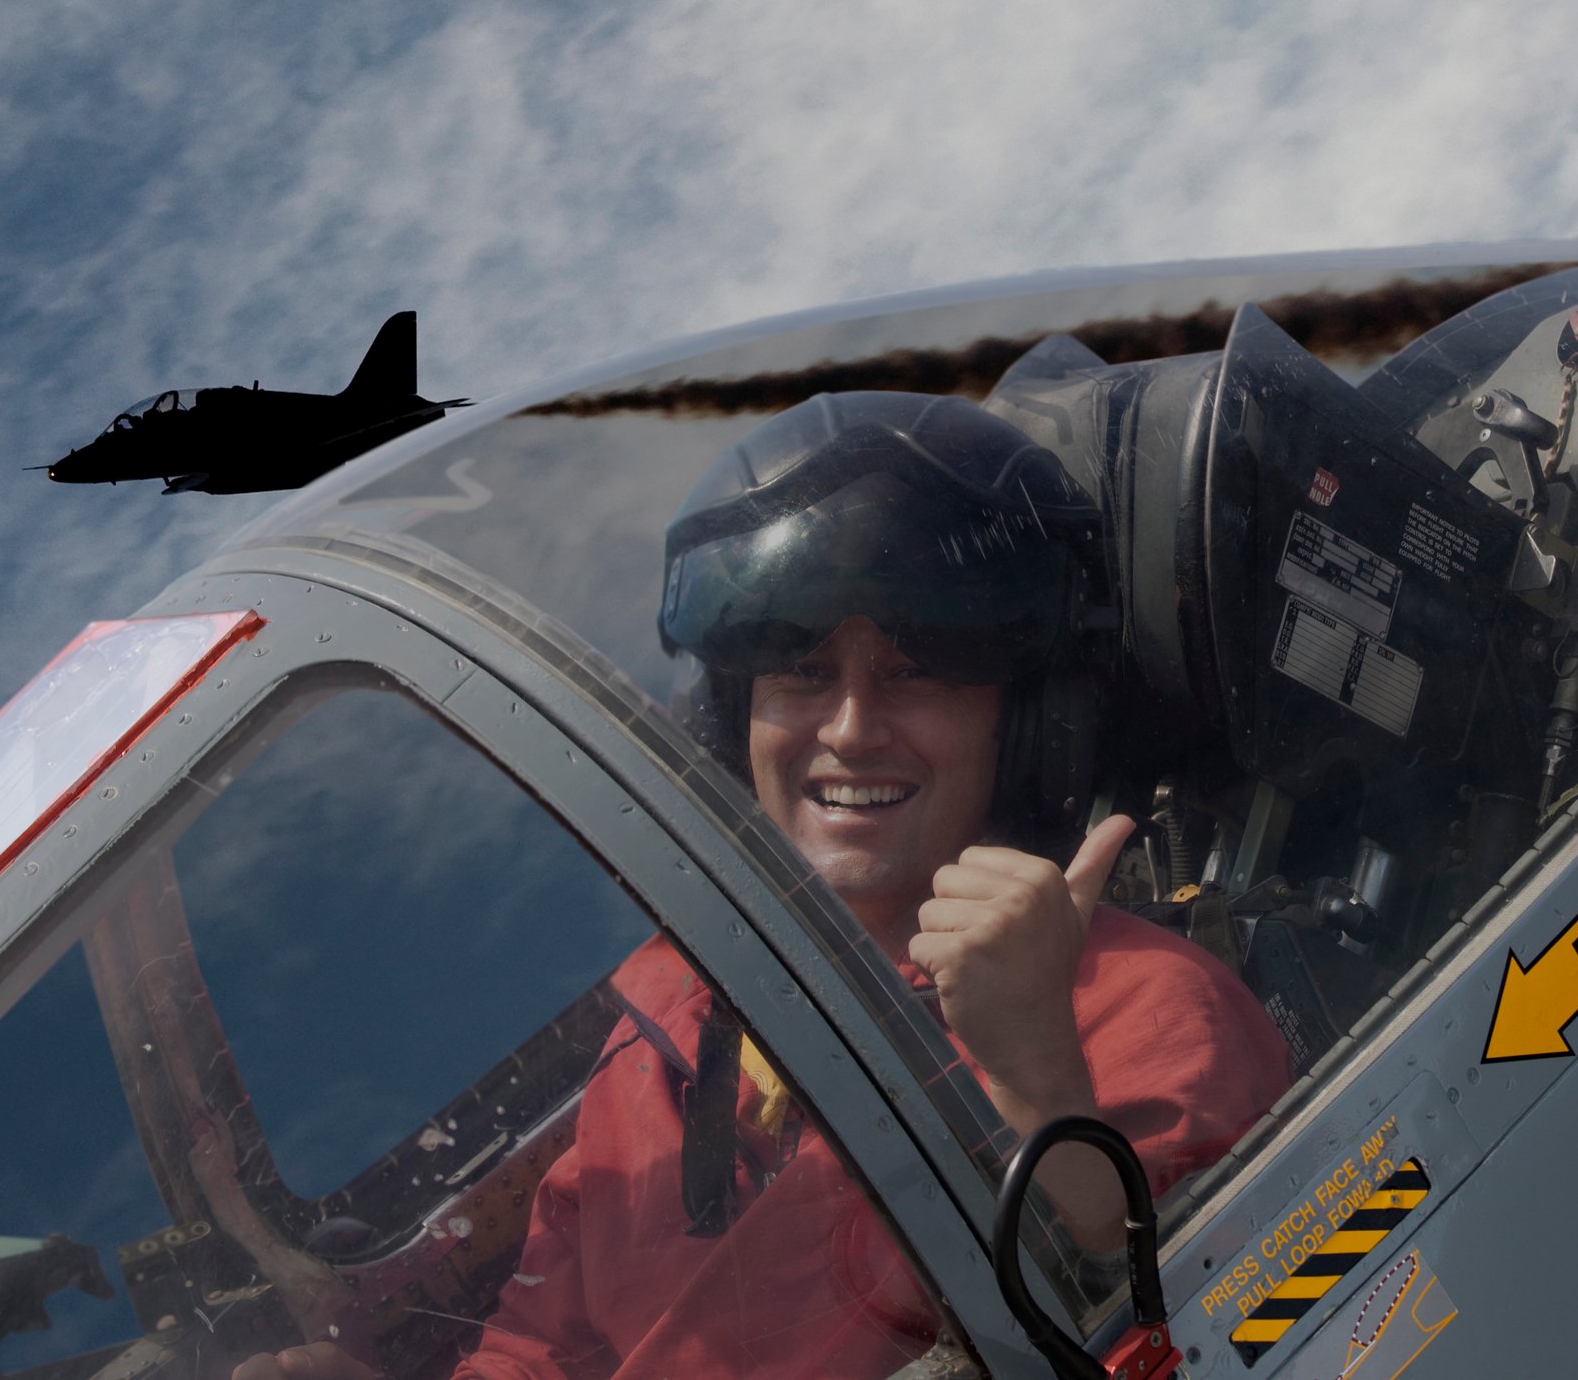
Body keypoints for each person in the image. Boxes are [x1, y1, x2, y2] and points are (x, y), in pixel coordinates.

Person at [236, 391, 1291, 1380]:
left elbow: (1201, 1322)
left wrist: (1036, 1084)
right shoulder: (666, 1027)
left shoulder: (1143, 1005)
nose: (846, 730)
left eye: (915, 671)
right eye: (800, 675)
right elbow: (542, 1349)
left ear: (1025, 727)